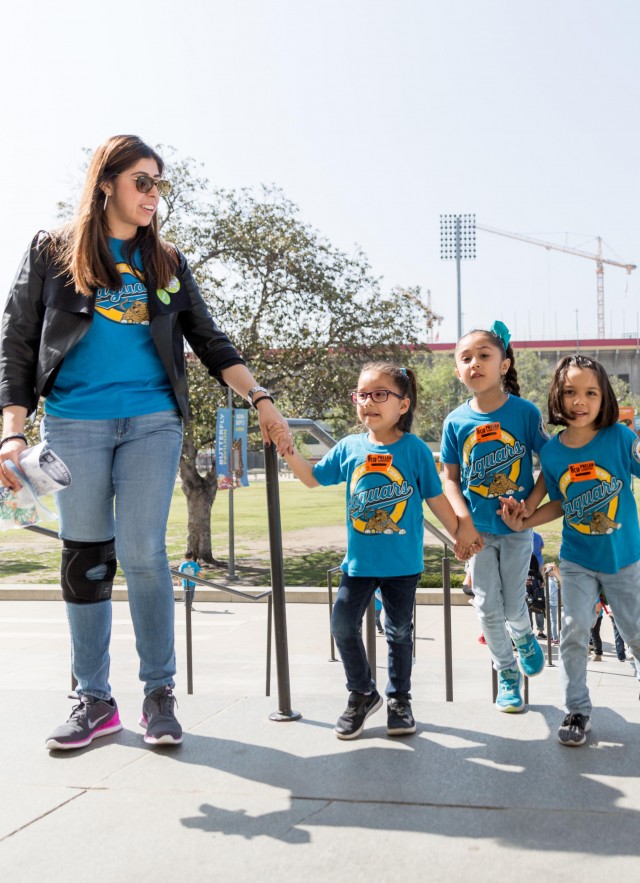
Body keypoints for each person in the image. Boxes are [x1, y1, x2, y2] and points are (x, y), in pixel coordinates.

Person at [0, 135, 292, 752]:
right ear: (105, 182)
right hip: (74, 424)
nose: (153, 195)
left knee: (144, 554)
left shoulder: (167, 262)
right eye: (142, 181)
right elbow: (17, 346)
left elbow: (210, 342)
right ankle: (94, 700)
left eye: (159, 184)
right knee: (86, 557)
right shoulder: (52, 252)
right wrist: (12, 431)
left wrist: (260, 398)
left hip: (154, 423)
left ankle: (159, 694)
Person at [276, 362, 470, 739]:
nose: (369, 402)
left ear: (403, 404)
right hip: (359, 564)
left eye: (380, 394)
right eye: (362, 395)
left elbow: (436, 500)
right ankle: (362, 693)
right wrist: (287, 449)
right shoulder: (349, 447)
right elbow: (312, 478)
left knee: (399, 632)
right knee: (341, 625)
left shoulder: (414, 450)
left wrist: (460, 536)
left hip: (402, 565)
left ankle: (400, 700)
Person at [500, 354, 640, 747]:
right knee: (574, 630)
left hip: (625, 559)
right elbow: (557, 503)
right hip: (577, 561)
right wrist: (522, 519)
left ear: (604, 397)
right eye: (570, 392)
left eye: (590, 392)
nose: (580, 401)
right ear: (557, 399)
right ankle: (576, 710)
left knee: (636, 634)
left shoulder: (620, 438)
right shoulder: (554, 453)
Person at [440, 320, 549, 713]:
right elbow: (449, 480)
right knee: (486, 605)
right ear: (457, 370)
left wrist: (531, 508)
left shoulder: (524, 412)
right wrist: (462, 522)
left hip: (517, 531)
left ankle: (523, 639)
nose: (475, 363)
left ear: (504, 364)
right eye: (465, 358)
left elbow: (552, 464)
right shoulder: (455, 421)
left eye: (484, 356)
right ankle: (507, 673)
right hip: (478, 533)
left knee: (515, 606)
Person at [526, 554, 547, 639]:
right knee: (539, 611)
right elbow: (542, 583)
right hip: (537, 595)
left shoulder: (524, 574)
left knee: (528, 612)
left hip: (527, 594)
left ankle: (529, 631)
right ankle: (540, 631)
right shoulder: (538, 575)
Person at [544, 561, 561, 644]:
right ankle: (554, 637)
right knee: (553, 621)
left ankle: (551, 636)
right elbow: (551, 593)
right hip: (552, 603)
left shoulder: (551, 579)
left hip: (553, 603)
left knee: (552, 620)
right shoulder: (550, 581)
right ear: (550, 573)